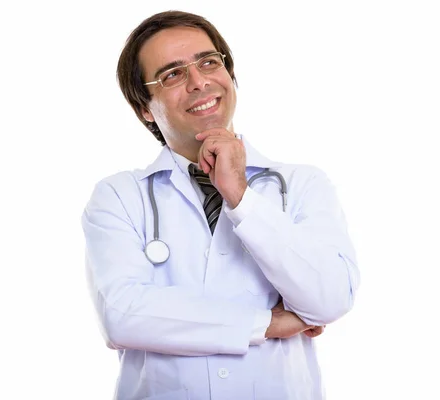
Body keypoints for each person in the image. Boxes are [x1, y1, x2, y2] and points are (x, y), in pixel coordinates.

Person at [81, 10, 360, 400]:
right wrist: (266, 323)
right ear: (145, 108)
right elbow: (123, 316)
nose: (199, 82)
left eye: (209, 62)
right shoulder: (119, 196)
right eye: (172, 74)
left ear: (229, 75)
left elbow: (330, 299)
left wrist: (241, 198)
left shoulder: (301, 184)